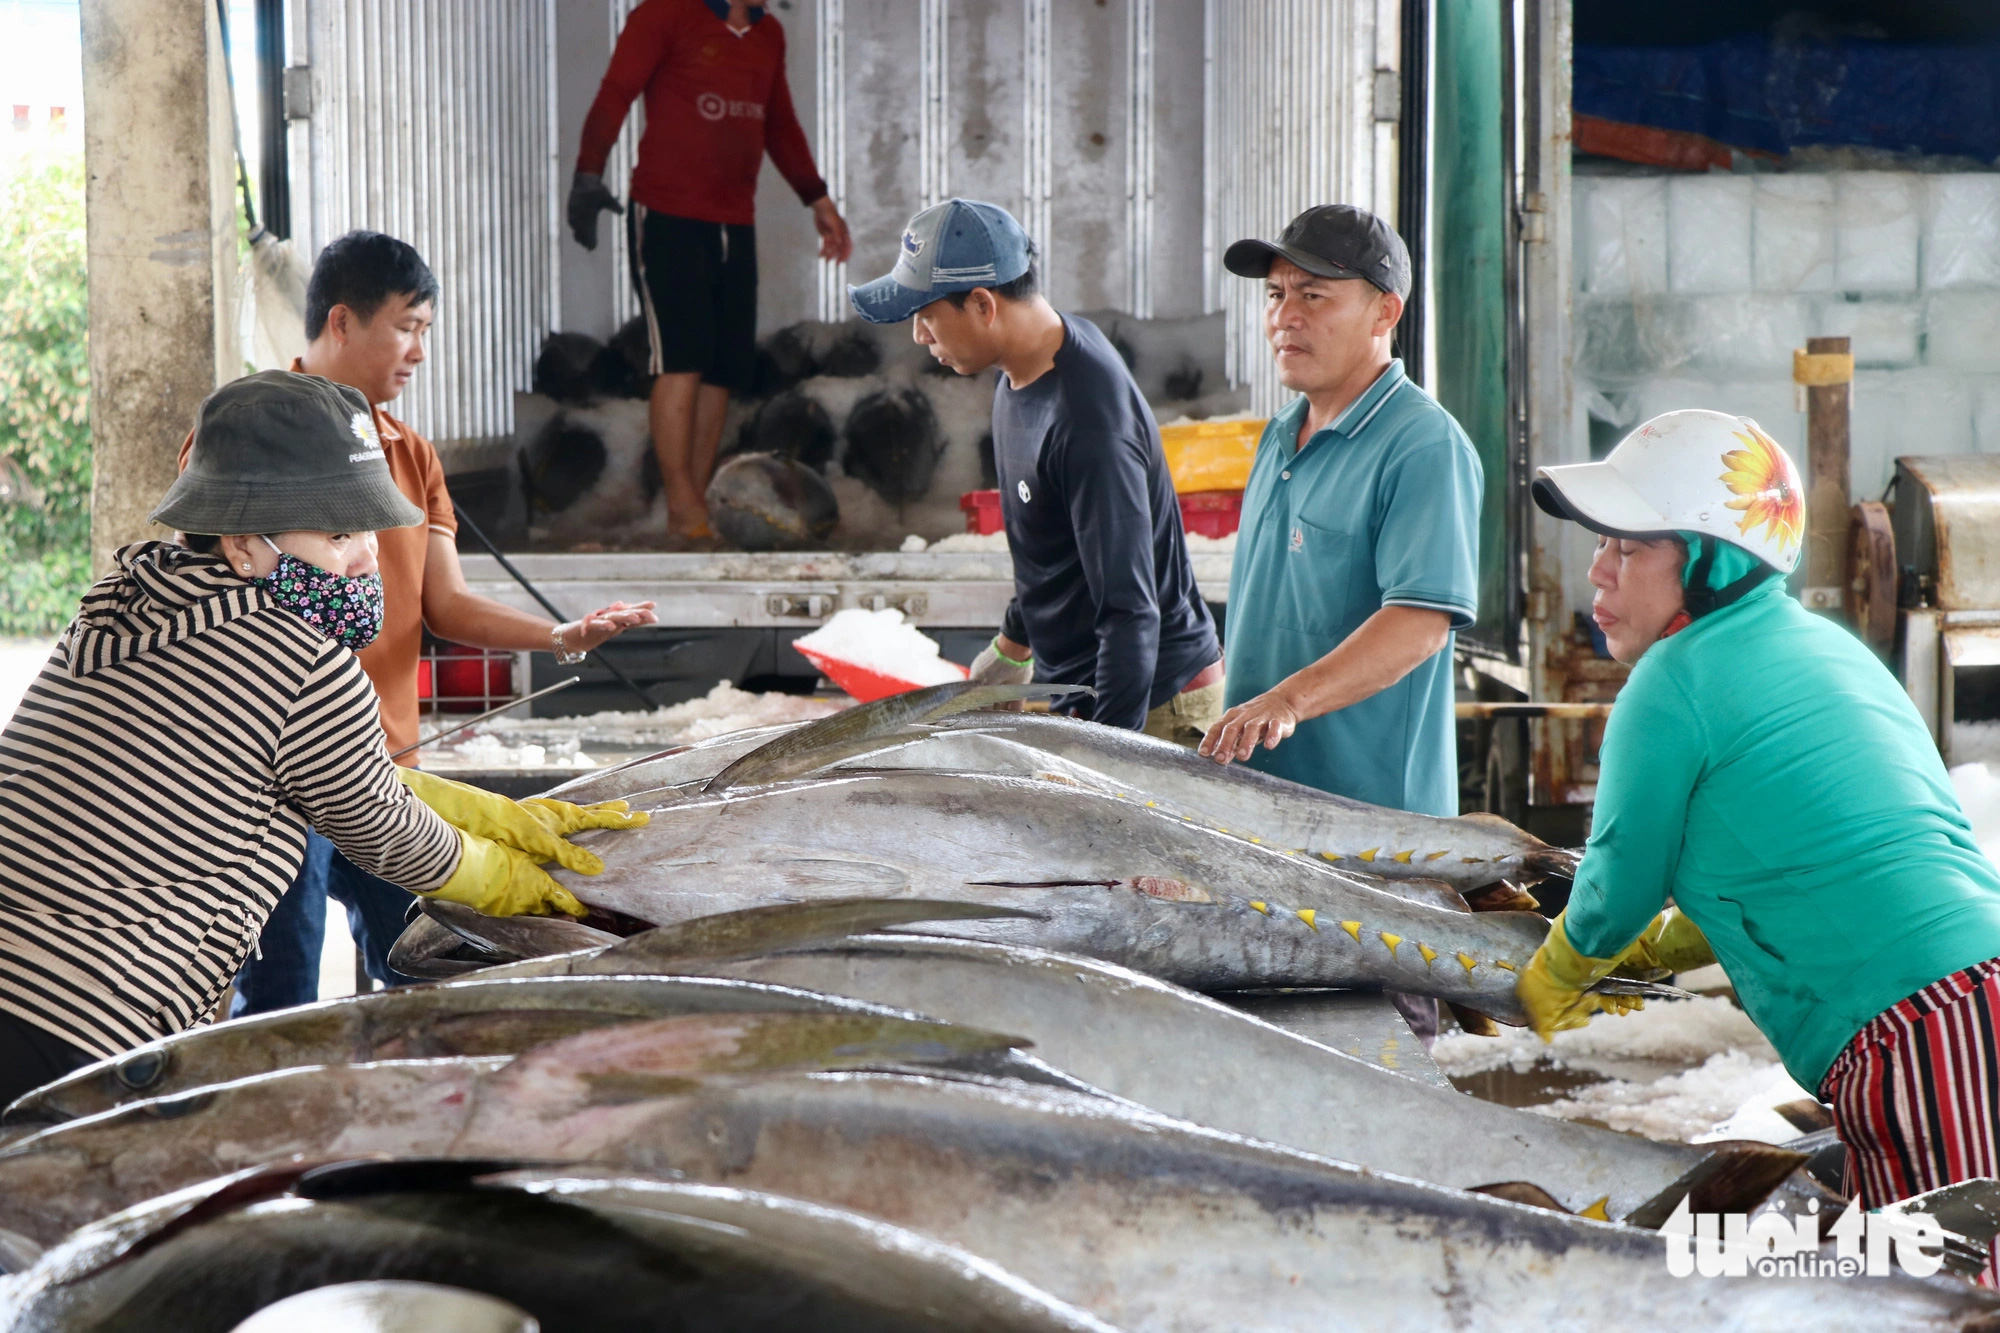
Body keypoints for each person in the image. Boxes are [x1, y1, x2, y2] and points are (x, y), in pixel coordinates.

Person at [0, 372, 645, 1106]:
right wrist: (515, 882)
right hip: (74, 1021)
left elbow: (298, 769)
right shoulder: (299, 656)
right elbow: (388, 835)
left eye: (367, 530)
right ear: (244, 546)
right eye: (339, 535)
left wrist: (501, 816)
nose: (367, 558)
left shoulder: (120, 603)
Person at [1518, 409, 2000, 1280]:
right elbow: (1814, 856)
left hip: (1919, 1035)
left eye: (1628, 550)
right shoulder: (1833, 650)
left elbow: (1613, 888)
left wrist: (1541, 984)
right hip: (1973, 997)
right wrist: (1680, 939)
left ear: (1707, 561)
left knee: (1936, 1297)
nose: (1597, 570)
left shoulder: (1671, 681)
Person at [177, 231, 656, 1013]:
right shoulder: (246, 432)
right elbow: (205, 594)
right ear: (342, 320)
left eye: (426, 332)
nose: (419, 352)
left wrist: (559, 636)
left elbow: (447, 603)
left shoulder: (413, 453)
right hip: (270, 779)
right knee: (281, 994)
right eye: (408, 326)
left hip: (382, 769)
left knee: (426, 969)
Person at [848, 199, 1222, 742]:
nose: (919, 337)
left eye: (927, 316)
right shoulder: (1020, 373)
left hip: (1153, 703)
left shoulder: (1088, 422)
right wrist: (1011, 650)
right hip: (1080, 691)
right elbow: (1054, 549)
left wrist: (1105, 761)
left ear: (982, 304)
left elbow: (1130, 613)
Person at [1198, 205, 1483, 818]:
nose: (1284, 317)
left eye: (1314, 295)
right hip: (1259, 800)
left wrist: (1288, 702)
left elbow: (1421, 621)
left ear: (1386, 310)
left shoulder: (1422, 445)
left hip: (1369, 822)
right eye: (1275, 293)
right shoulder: (1280, 432)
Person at [568, 0, 854, 542]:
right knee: (681, 360)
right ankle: (681, 504)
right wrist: (588, 174)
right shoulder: (664, 14)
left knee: (723, 368)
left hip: (733, 221)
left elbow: (780, 121)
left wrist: (817, 200)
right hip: (669, 214)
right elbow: (615, 94)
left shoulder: (769, 35)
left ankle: (693, 503)